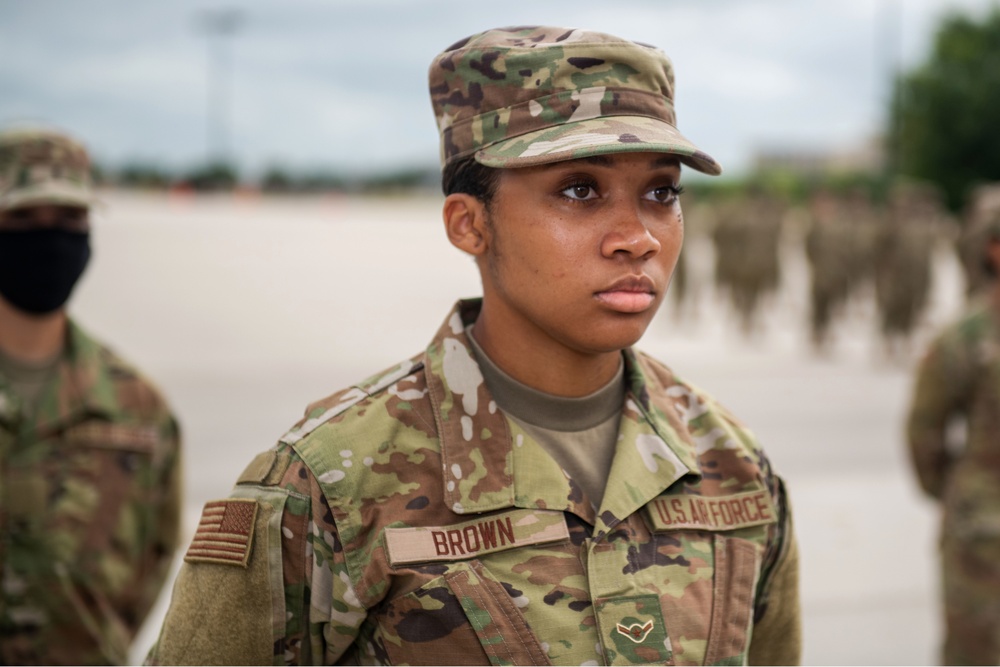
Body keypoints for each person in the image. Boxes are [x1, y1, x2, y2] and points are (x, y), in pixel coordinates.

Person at [148, 26, 800, 666]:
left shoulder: (736, 472)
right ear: (470, 223)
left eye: (662, 192)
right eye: (580, 189)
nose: (638, 236)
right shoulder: (329, 490)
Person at [0, 128, 183, 665]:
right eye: (23, 221)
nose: (49, 239)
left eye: (70, 220)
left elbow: (152, 558)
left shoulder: (136, 404)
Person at [907, 196, 1000, 666]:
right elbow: (925, 432)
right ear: (993, 250)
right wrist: (959, 492)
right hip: (985, 535)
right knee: (976, 651)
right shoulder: (965, 337)